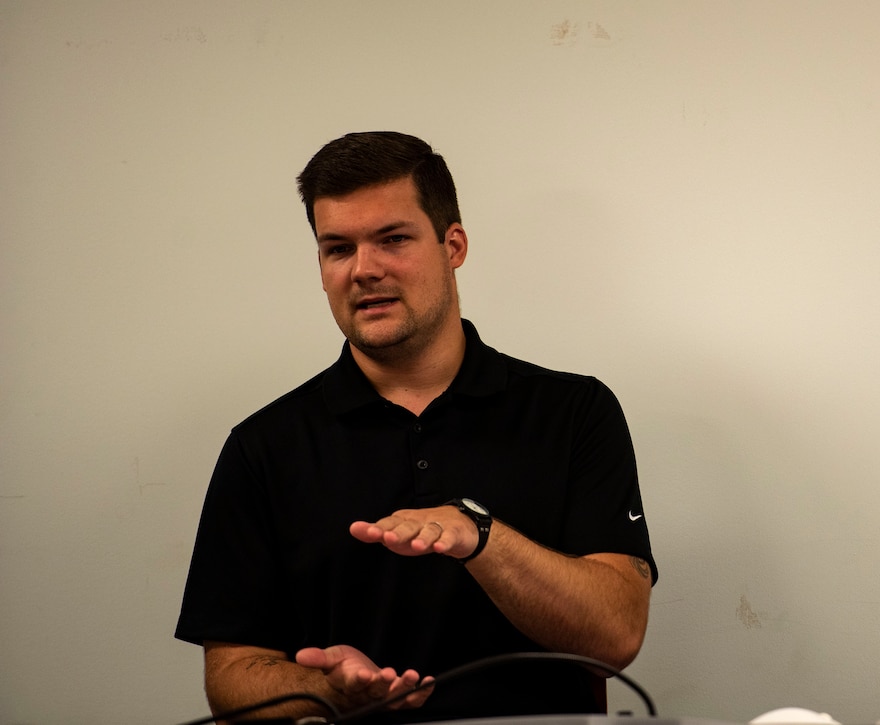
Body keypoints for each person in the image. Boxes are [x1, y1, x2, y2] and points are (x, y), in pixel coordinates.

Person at [175, 131, 656, 724]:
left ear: (453, 245)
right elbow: (230, 677)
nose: (364, 269)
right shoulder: (264, 445)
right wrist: (328, 687)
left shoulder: (574, 411)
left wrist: (478, 534)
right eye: (338, 248)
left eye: (393, 239)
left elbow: (617, 636)